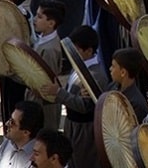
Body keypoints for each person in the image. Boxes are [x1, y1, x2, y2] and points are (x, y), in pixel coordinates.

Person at [39, 25, 109, 168]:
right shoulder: (78, 65)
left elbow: (84, 107)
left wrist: (59, 93)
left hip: (83, 130)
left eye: (77, 50)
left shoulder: (96, 75)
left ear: (89, 51)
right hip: (71, 125)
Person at [0, 101, 42, 168]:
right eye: (10, 119)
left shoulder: (36, 160)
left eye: (12, 123)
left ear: (26, 132)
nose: (7, 123)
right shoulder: (9, 142)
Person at [109, 48, 148, 122]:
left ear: (123, 72)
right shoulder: (112, 87)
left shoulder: (136, 104)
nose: (110, 69)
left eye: (113, 66)